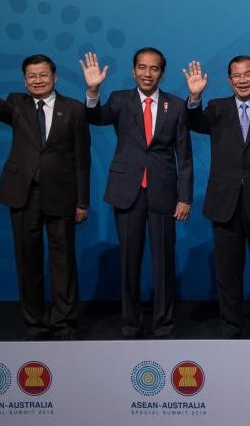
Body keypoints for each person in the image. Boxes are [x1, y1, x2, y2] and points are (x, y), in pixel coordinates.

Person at [0, 51, 90, 340]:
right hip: (23, 194)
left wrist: (82, 201)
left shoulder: (74, 109)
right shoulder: (16, 103)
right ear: (25, 79)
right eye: (31, 76)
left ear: (54, 77)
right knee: (27, 260)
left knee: (63, 261)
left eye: (43, 74)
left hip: (62, 195)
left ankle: (63, 322)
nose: (37, 80)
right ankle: (35, 322)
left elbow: (83, 160)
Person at [81, 49, 193, 339]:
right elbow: (96, 117)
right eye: (142, 68)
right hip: (127, 191)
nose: (147, 73)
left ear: (162, 74)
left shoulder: (177, 105)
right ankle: (130, 323)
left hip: (164, 193)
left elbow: (186, 156)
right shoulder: (119, 100)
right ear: (133, 71)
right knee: (129, 261)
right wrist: (93, 91)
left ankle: (163, 324)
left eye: (153, 69)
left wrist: (184, 197)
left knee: (163, 262)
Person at [183, 56, 250, 339]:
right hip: (225, 203)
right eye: (236, 76)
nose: (242, 80)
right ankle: (231, 324)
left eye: (247, 75)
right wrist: (194, 97)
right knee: (227, 270)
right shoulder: (217, 108)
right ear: (229, 80)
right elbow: (194, 122)